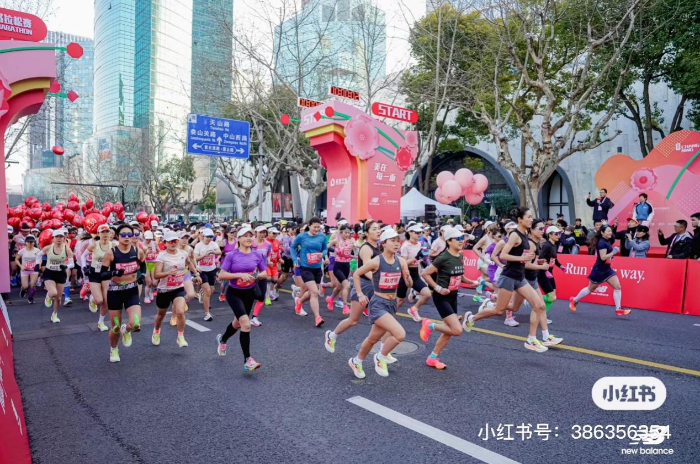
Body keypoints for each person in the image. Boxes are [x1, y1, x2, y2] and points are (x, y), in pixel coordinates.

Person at [463, 208, 561, 353]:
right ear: (520, 219)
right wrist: (522, 258)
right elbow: (503, 255)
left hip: (520, 277)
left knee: (536, 305)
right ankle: (472, 318)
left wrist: (532, 261)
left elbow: (523, 256)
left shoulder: (525, 235)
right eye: (528, 217)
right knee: (499, 310)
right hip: (508, 277)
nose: (530, 219)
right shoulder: (515, 235)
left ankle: (531, 339)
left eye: (531, 217)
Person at [348, 228, 411, 378]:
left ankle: (357, 361)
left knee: (372, 339)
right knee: (400, 334)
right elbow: (357, 273)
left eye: (398, 241)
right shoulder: (376, 261)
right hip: (378, 304)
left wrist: (408, 278)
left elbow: (409, 284)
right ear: (384, 243)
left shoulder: (401, 261)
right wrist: (360, 294)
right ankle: (381, 356)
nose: (397, 244)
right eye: (393, 241)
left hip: (391, 304)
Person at [419, 228, 476, 369]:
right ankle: (429, 325)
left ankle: (432, 358)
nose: (462, 241)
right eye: (458, 238)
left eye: (463, 238)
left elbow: (459, 275)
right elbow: (425, 273)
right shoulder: (443, 257)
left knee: (448, 331)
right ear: (449, 241)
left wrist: (471, 282)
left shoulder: (460, 255)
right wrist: (438, 288)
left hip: (453, 297)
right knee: (457, 330)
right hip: (441, 297)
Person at [215, 226, 268, 372]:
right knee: (246, 324)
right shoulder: (232, 255)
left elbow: (265, 273)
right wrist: (239, 275)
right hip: (234, 293)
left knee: (237, 323)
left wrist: (255, 276)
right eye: (245, 236)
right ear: (238, 239)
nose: (249, 238)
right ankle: (247, 359)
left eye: (251, 235)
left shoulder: (257, 254)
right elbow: (222, 275)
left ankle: (223, 339)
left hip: (249, 293)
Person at [324, 221, 381, 354]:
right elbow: (366, 269)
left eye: (379, 229)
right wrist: (328, 255)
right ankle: (332, 335)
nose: (378, 231)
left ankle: (383, 351)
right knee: (353, 320)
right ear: (366, 233)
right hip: (361, 283)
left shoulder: (369, 245)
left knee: (382, 319)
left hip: (349, 267)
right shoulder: (365, 247)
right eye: (374, 229)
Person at [101, 224, 146, 363]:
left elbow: (143, 264)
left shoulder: (137, 251)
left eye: (129, 235)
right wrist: (114, 272)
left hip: (131, 290)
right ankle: (114, 349)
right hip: (115, 292)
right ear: (117, 236)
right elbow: (102, 274)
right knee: (115, 326)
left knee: (136, 323)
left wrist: (142, 274)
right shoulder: (111, 253)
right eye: (123, 235)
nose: (127, 238)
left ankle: (126, 330)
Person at [152, 230, 202, 348]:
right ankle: (156, 331)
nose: (173, 243)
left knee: (180, 312)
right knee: (160, 315)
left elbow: (189, 263)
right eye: (170, 241)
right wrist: (168, 273)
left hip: (178, 288)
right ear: (165, 243)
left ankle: (180, 337)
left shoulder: (182, 253)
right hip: (164, 290)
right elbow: (156, 275)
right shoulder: (161, 256)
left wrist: (196, 274)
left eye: (175, 241)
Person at [569, 225, 631, 317]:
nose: (610, 233)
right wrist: (613, 252)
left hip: (607, 269)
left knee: (617, 287)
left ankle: (618, 309)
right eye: (608, 231)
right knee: (590, 288)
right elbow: (603, 257)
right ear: (602, 233)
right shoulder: (602, 243)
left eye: (611, 231)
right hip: (599, 270)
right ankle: (575, 300)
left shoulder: (607, 240)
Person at [290, 217, 328, 327]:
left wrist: (322, 254)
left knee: (313, 292)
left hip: (317, 267)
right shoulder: (302, 236)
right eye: (314, 227)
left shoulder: (322, 236)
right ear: (309, 226)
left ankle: (299, 301)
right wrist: (294, 260)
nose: (317, 229)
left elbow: (325, 248)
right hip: (305, 267)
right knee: (315, 293)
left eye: (318, 227)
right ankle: (317, 317)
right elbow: (293, 248)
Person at [397, 224, 432, 321]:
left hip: (415, 273)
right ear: (410, 233)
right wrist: (415, 258)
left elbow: (420, 260)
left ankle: (413, 309)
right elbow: (403, 263)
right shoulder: (405, 246)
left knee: (427, 294)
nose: (419, 234)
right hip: (405, 274)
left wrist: (422, 263)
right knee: (400, 301)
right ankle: (387, 317)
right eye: (417, 232)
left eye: (420, 232)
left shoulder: (419, 244)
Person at [40, 229, 74, 323]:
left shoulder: (67, 249)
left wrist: (66, 266)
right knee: (53, 293)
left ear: (64, 238)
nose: (59, 239)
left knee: (58, 298)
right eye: (57, 237)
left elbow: (72, 264)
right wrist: (36, 264)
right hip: (49, 273)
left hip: (60, 273)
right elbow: (38, 255)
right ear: (53, 239)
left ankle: (54, 315)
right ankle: (48, 295)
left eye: (61, 237)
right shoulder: (48, 248)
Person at [86, 224, 113, 331]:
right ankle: (93, 299)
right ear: (98, 234)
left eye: (107, 232)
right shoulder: (94, 245)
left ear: (110, 233)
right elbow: (82, 256)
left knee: (106, 300)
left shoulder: (114, 245)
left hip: (106, 274)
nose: (105, 234)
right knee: (99, 300)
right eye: (102, 232)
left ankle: (100, 322)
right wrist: (84, 267)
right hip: (94, 274)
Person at [538, 226, 566, 322]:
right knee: (550, 297)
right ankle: (533, 300)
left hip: (550, 273)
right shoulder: (547, 245)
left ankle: (540, 312)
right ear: (549, 234)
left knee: (553, 297)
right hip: (542, 273)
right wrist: (545, 270)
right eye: (556, 234)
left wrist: (561, 266)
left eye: (559, 234)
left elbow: (554, 259)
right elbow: (540, 258)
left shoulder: (554, 245)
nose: (558, 236)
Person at [194, 228, 220, 321]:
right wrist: (204, 255)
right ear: (203, 236)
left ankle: (202, 293)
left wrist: (212, 251)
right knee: (208, 291)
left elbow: (219, 252)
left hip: (212, 269)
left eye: (211, 237)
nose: (209, 239)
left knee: (211, 290)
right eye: (207, 237)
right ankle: (207, 314)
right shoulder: (198, 246)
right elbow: (195, 258)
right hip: (202, 270)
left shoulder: (213, 244)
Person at [327, 224, 354, 314]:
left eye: (349, 233)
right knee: (346, 285)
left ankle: (330, 299)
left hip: (347, 266)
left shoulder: (351, 242)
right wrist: (325, 257)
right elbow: (325, 248)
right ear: (341, 232)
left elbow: (350, 254)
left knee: (339, 287)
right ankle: (345, 306)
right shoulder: (336, 241)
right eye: (345, 232)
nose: (347, 234)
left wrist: (356, 256)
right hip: (338, 266)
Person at [15, 234, 39, 304]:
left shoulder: (37, 250)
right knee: (25, 286)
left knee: (32, 285)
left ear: (34, 242)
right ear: (25, 243)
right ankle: (23, 289)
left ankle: (30, 297)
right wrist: (21, 266)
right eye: (28, 242)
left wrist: (38, 264)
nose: (30, 243)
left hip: (33, 270)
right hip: (24, 270)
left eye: (31, 242)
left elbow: (40, 258)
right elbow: (16, 259)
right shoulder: (22, 251)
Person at [265, 226, 282, 303]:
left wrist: (279, 260)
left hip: (274, 264)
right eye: (273, 233)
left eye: (276, 234)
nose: (275, 235)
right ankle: (267, 296)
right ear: (268, 233)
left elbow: (277, 252)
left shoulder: (277, 242)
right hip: (266, 264)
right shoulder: (265, 242)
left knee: (275, 280)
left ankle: (271, 293)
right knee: (268, 280)